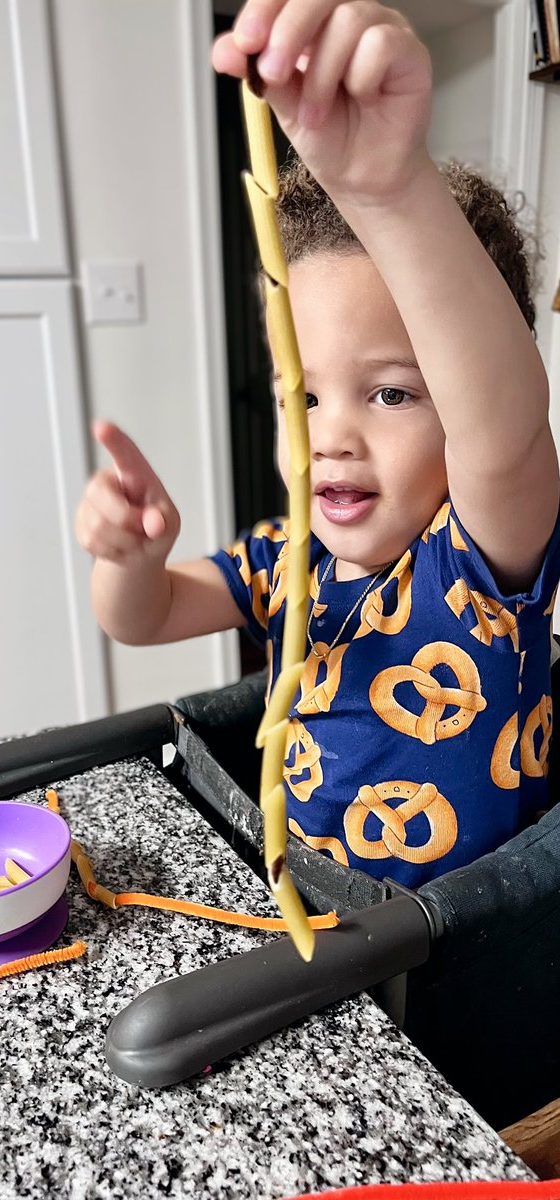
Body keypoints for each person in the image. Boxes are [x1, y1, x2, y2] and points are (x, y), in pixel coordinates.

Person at [75, 0, 560, 887]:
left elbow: (508, 428)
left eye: (390, 393)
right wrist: (132, 560)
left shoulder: (477, 567)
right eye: (302, 395)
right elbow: (137, 620)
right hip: (307, 916)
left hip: (441, 969)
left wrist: (390, 189)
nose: (330, 433)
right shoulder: (285, 561)